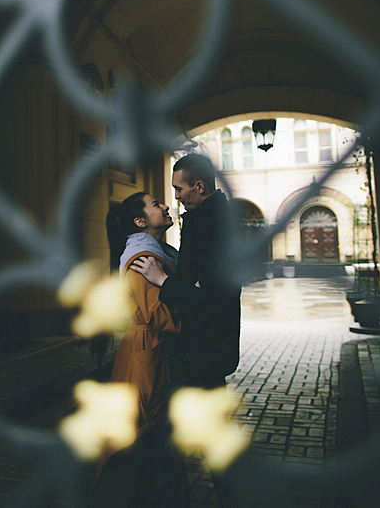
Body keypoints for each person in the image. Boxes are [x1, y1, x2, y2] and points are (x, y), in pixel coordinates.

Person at [130, 152, 241, 506]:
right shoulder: (204, 219)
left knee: (165, 443)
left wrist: (163, 280)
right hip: (205, 350)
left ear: (200, 186)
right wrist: (186, 286)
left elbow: (211, 296)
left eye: (179, 188)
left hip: (200, 350)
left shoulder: (211, 225)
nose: (174, 196)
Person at [92, 191, 183, 507]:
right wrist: (193, 310)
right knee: (145, 433)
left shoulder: (155, 251)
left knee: (146, 434)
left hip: (146, 349)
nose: (166, 205)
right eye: (157, 204)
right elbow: (152, 314)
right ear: (141, 221)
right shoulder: (144, 257)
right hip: (147, 349)